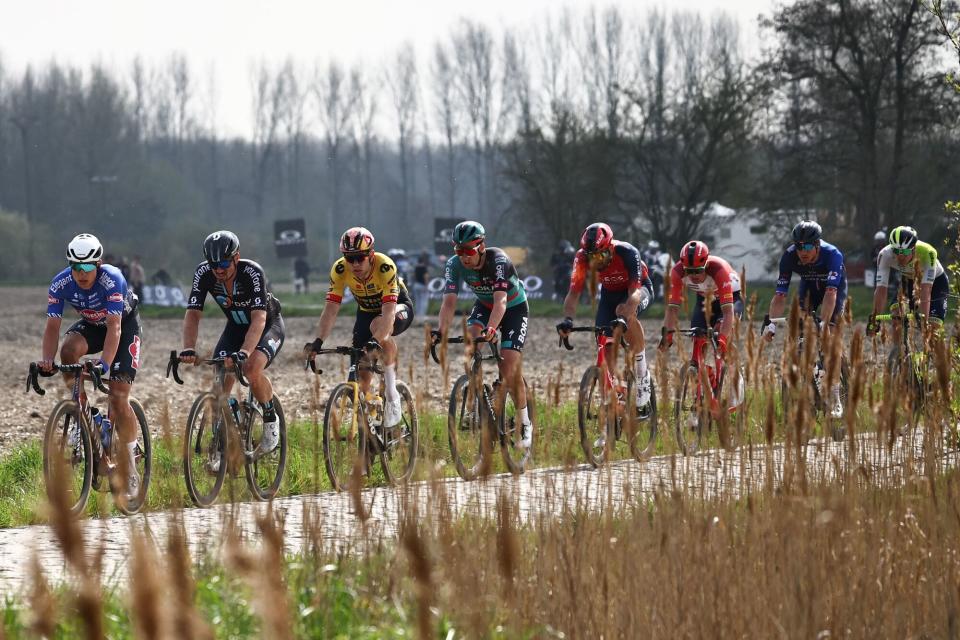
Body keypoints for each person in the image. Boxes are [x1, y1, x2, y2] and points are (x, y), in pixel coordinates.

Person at [41, 233, 143, 499]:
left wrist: (104, 364)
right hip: (92, 325)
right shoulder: (60, 282)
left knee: (119, 397)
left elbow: (115, 326)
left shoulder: (112, 279)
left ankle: (130, 465)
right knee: (68, 351)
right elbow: (53, 327)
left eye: (86, 267)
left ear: (97, 264)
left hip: (122, 326)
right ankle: (81, 411)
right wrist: (46, 361)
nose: (81, 273)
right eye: (75, 267)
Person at [178, 230, 285, 459]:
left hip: (267, 325)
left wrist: (245, 352)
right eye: (213, 263)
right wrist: (188, 347)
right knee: (220, 383)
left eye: (224, 262)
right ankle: (220, 442)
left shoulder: (252, 272)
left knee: (251, 368)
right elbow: (193, 314)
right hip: (235, 327)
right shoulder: (204, 273)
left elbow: (259, 318)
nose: (219, 269)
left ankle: (269, 416)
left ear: (236, 257)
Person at [431, 221, 534, 451]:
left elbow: (502, 301)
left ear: (481, 246)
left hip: (513, 308)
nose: (464, 256)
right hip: (485, 305)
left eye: (468, 250)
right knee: (470, 345)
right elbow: (448, 304)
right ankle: (473, 403)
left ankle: (525, 423)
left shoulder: (498, 260)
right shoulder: (454, 265)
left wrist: (492, 328)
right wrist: (441, 331)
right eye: (459, 250)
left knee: (509, 367)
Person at [304, 227, 414, 427]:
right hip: (365, 311)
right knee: (362, 377)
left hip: (396, 307)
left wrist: (376, 340)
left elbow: (388, 314)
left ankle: (392, 394)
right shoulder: (340, 269)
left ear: (371, 254)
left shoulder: (384, 266)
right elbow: (330, 310)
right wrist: (318, 341)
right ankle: (371, 428)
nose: (354, 263)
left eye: (360, 257)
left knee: (379, 326)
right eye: (349, 258)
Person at [556, 223, 655, 418]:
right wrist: (567, 319)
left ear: (610, 247)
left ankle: (642, 372)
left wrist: (625, 315)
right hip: (609, 294)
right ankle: (613, 403)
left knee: (624, 311)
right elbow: (574, 293)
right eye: (593, 258)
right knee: (603, 339)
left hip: (637, 289)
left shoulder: (627, 252)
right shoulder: (581, 257)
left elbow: (634, 292)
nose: (597, 262)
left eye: (601, 256)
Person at [761, 221, 847, 417]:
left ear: (817, 245)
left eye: (807, 246)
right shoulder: (789, 256)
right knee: (797, 329)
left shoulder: (833, 254)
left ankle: (835, 397)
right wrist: (771, 323)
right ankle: (807, 375)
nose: (803, 251)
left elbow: (831, 293)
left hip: (832, 291)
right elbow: (780, 295)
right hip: (809, 288)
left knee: (830, 337)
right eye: (799, 246)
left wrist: (825, 323)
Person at [659, 240, 743, 357]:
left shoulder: (719, 270)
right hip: (704, 299)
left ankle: (735, 372)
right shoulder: (677, 273)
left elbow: (728, 312)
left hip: (731, 299)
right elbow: (672, 309)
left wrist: (722, 339)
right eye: (689, 271)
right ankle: (699, 369)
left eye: (698, 270)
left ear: (707, 264)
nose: (694, 276)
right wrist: (667, 334)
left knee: (719, 334)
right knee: (697, 335)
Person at [868, 225, 949, 335]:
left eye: (905, 252)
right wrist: (875, 318)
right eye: (896, 251)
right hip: (909, 280)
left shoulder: (928, 252)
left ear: (914, 248)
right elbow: (881, 289)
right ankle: (898, 350)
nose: (900, 256)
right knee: (896, 313)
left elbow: (926, 290)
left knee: (932, 327)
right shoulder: (885, 255)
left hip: (936, 283)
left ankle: (930, 351)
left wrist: (924, 320)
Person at [413, 252, 430, 320]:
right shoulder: (424, 267)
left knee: (418, 301)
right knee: (424, 301)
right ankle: (422, 316)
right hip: (422, 285)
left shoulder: (416, 268)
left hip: (416, 285)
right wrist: (426, 285)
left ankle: (418, 315)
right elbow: (425, 276)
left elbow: (414, 276)